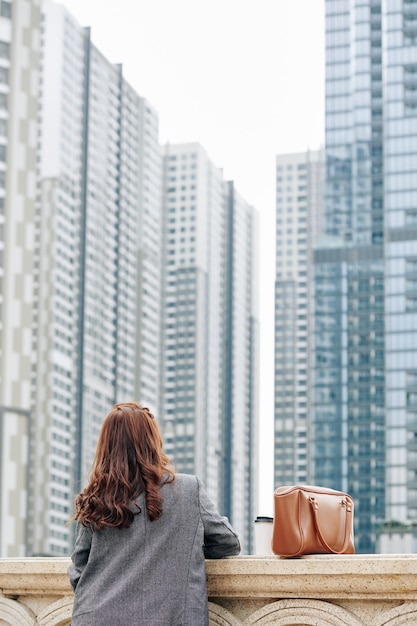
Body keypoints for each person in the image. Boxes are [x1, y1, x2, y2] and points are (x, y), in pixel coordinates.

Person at [68, 401, 240, 625]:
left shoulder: (95, 497)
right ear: (152, 441)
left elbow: (79, 571)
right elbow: (228, 543)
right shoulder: (189, 489)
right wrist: (183, 546)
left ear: (106, 446)